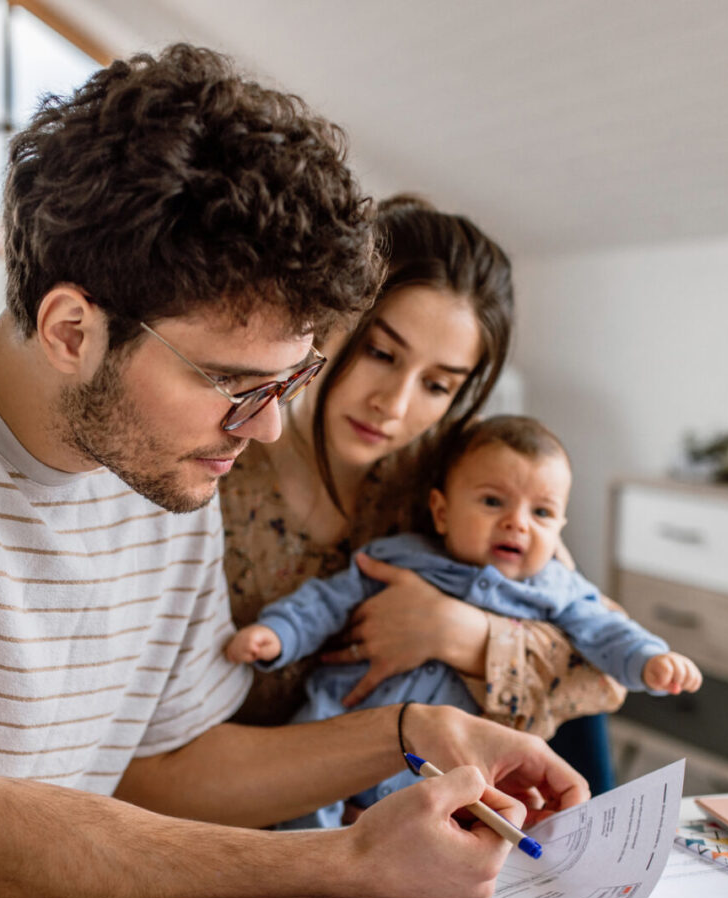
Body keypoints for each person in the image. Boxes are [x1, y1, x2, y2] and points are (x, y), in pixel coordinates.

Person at [0, 44, 587, 898]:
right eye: (232, 382)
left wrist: (407, 733)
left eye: (286, 381)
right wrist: (349, 859)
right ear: (72, 331)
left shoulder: (164, 457)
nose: (267, 424)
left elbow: (167, 768)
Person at [216, 197, 627, 776]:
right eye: (380, 353)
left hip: (405, 809)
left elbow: (605, 674)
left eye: (437, 385)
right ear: (329, 315)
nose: (395, 404)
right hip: (235, 803)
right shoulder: (218, 459)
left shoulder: (467, 481)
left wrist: (460, 634)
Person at [227, 415, 702, 826]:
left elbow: (607, 632)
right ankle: (308, 855)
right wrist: (280, 633)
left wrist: (648, 658)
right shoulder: (401, 558)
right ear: (442, 511)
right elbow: (326, 601)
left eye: (541, 512)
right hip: (349, 715)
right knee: (312, 760)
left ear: (560, 529)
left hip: (451, 758)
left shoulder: (557, 588)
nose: (518, 523)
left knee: (473, 809)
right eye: (493, 502)